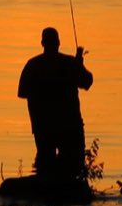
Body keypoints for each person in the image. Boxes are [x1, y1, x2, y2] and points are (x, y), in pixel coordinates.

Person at [17, 27, 93, 179]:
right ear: (58, 43)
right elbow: (87, 82)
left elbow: (22, 93)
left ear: (42, 43)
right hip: (69, 126)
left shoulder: (32, 65)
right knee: (75, 169)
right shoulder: (69, 63)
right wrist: (79, 65)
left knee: (44, 169)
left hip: (43, 127)